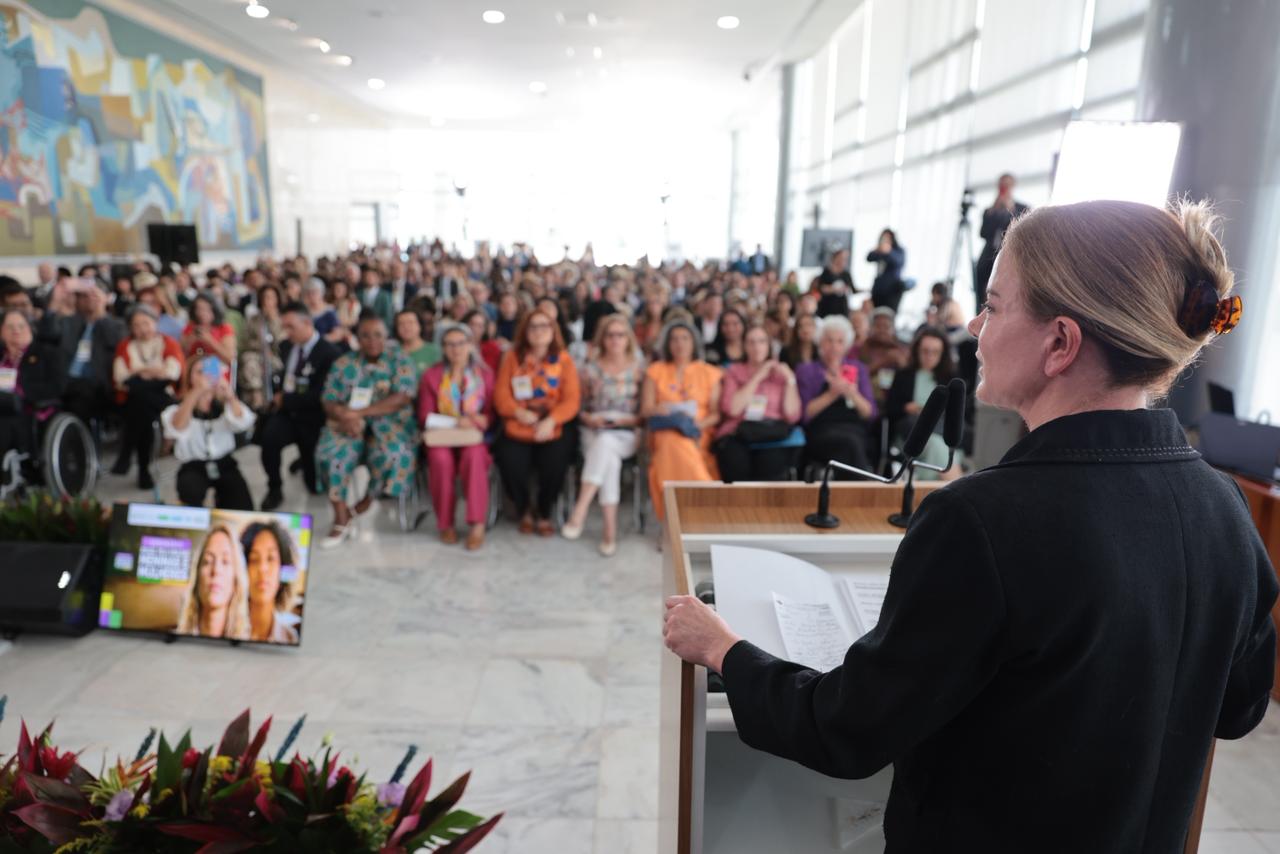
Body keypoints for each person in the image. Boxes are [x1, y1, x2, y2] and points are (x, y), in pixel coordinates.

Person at [662, 198, 1278, 852]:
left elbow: (846, 730)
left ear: (1060, 343)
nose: (976, 325)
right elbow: (1239, 706)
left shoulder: (981, 521)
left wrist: (723, 648)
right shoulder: (1224, 507)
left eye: (995, 302)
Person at [316, 313, 418, 547]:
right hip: (346, 424)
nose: (372, 340)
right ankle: (341, 517)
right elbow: (329, 399)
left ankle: (363, 504)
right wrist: (343, 415)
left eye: (378, 335)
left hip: (390, 423)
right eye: (365, 335)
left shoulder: (399, 360)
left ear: (387, 336)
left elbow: (402, 397)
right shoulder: (344, 363)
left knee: (394, 455)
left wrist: (360, 413)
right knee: (330, 455)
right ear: (357, 338)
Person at [561, 314, 645, 556]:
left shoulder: (639, 369)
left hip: (627, 431)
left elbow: (643, 413)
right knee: (609, 457)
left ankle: (580, 509)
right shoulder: (589, 369)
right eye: (610, 335)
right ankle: (610, 531)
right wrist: (590, 418)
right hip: (594, 430)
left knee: (607, 446)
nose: (615, 340)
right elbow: (581, 407)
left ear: (628, 338)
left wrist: (623, 420)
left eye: (620, 335)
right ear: (602, 339)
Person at [492, 309, 582, 536]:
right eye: (533, 326)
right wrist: (517, 412)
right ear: (525, 331)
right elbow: (501, 394)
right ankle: (524, 510)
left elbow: (572, 400)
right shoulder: (513, 357)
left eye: (544, 326)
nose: (539, 331)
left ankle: (544, 511)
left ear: (553, 331)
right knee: (510, 460)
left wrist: (551, 420)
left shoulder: (564, 359)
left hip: (553, 422)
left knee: (556, 461)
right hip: (519, 421)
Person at [418, 322, 494, 549]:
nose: (456, 349)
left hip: (473, 438)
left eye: (461, 343)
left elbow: (492, 413)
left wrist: (484, 420)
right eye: (449, 344)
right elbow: (425, 416)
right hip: (442, 436)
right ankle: (446, 524)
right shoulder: (432, 376)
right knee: (440, 460)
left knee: (475, 456)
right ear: (442, 347)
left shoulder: (485, 376)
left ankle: (477, 523)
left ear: (471, 345)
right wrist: (457, 422)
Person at [258, 303, 340, 510]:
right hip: (287, 413)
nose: (287, 332)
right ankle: (274, 488)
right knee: (269, 439)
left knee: (314, 486)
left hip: (313, 418)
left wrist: (286, 399)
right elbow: (286, 377)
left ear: (307, 323)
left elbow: (322, 395)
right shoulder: (287, 346)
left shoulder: (329, 353)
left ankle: (305, 463)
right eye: (284, 327)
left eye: (291, 327)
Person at [642, 319, 721, 522]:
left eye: (685, 338)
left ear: (694, 342)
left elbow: (716, 414)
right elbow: (646, 409)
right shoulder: (656, 370)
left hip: (698, 431)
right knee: (672, 441)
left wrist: (695, 425)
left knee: (680, 444)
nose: (680, 344)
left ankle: (674, 521)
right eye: (674, 339)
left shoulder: (709, 372)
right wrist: (660, 410)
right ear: (667, 344)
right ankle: (705, 499)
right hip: (663, 431)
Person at [162, 359, 256, 509]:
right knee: (189, 493)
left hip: (224, 463)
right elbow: (177, 428)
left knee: (240, 500)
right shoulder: (178, 405)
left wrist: (230, 396)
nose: (205, 377)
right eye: (199, 372)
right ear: (190, 376)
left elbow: (243, 423)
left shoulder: (224, 402)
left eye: (208, 372)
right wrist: (196, 392)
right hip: (193, 465)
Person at [714, 323, 801, 482]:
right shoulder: (734, 371)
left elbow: (792, 415)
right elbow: (732, 409)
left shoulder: (781, 373)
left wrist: (790, 380)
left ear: (769, 345)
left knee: (771, 466)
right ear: (744, 346)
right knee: (735, 463)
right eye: (751, 342)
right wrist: (758, 376)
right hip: (738, 433)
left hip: (771, 433)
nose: (756, 347)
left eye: (761, 341)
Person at [111, 305, 184, 489]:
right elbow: (120, 377)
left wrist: (139, 372)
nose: (142, 329)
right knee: (141, 405)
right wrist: (152, 371)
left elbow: (172, 373)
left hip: (162, 394)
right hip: (135, 397)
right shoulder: (125, 346)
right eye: (137, 325)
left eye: (146, 323)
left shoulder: (167, 343)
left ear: (155, 323)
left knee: (140, 399)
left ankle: (128, 454)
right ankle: (144, 470)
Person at [795, 314, 876, 478]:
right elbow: (804, 414)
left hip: (855, 430)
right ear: (820, 343)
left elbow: (870, 413)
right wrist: (832, 393)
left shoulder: (858, 369)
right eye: (829, 340)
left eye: (839, 341)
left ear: (846, 345)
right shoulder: (807, 370)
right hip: (821, 432)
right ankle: (862, 495)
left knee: (853, 444)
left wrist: (851, 393)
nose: (834, 346)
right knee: (849, 445)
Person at [885, 327, 962, 480]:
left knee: (937, 444)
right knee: (939, 446)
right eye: (925, 351)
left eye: (935, 352)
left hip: (941, 432)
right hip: (910, 433)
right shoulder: (903, 375)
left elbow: (959, 414)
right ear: (917, 351)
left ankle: (926, 491)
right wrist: (905, 408)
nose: (929, 356)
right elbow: (889, 410)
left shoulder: (950, 378)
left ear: (943, 354)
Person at [0, 310, 66, 470]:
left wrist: (22, 392)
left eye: (21, 326)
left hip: (29, 411)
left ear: (30, 329)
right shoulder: (2, 356)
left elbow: (58, 386)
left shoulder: (46, 353)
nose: (16, 331)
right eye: (10, 327)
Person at [60, 280, 126, 428]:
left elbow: (114, 343)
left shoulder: (117, 325)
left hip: (99, 382)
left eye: (94, 296)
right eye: (84, 296)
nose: (89, 299)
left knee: (82, 394)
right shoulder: (69, 323)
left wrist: (100, 316)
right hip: (68, 379)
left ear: (106, 298)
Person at [176, 525, 250, 639]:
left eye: (225, 562)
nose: (216, 570)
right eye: (207, 561)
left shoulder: (248, 644)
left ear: (236, 579)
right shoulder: (176, 639)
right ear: (197, 576)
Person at [974, 172, 1029, 313]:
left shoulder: (1022, 207)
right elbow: (983, 233)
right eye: (1002, 185)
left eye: (1007, 185)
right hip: (987, 257)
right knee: (981, 291)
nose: (1004, 188)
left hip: (1009, 256)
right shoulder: (990, 210)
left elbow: (1021, 232)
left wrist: (1010, 210)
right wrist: (993, 211)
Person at [240, 520, 301, 644]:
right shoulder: (225, 629)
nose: (263, 569)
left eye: (271, 558)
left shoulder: (289, 638)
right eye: (254, 559)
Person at [239, 284, 284, 413]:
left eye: (271, 297)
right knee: (249, 361)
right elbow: (245, 342)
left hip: (276, 357)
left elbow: (281, 342)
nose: (267, 301)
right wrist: (260, 346)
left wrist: (273, 319)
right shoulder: (253, 320)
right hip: (256, 355)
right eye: (265, 297)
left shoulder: (282, 320)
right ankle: (256, 396)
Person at [180, 294, 235, 384]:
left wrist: (210, 341)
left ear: (214, 309)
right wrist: (191, 339)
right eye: (198, 309)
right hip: (193, 367)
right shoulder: (190, 328)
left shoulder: (224, 328)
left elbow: (230, 358)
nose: (202, 313)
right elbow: (181, 353)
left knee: (206, 376)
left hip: (217, 367)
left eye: (206, 309)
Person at [866, 229, 908, 311]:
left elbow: (898, 261)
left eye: (888, 238)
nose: (885, 240)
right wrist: (878, 250)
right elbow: (869, 258)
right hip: (878, 290)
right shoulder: (880, 251)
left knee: (889, 316)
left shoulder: (899, 251)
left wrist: (889, 251)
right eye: (883, 238)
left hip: (892, 291)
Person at [394, 308, 440, 380]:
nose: (406, 327)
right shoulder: (392, 352)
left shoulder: (434, 352)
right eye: (401, 323)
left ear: (420, 325)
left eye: (410, 322)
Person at [816, 249, 854, 317]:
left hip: (842, 309)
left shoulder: (846, 274)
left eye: (845, 259)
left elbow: (852, 289)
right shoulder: (827, 272)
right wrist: (835, 289)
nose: (843, 261)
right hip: (827, 308)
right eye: (841, 258)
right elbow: (821, 288)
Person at [464, 308, 503, 374]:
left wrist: (475, 355)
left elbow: (490, 373)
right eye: (472, 324)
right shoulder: (456, 343)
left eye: (480, 326)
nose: (474, 328)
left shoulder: (492, 347)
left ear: (485, 329)